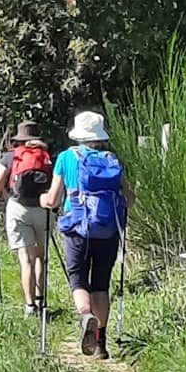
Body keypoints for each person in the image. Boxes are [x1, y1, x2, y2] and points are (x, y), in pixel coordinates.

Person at [40, 111, 135, 359]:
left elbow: (52, 199)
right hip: (108, 230)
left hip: (77, 229)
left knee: (78, 279)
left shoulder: (66, 158)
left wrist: (43, 200)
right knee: (101, 284)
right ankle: (101, 343)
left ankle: (86, 316)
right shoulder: (111, 159)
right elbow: (130, 199)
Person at [0, 121, 51, 316]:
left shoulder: (10, 156)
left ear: (18, 139)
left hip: (18, 208)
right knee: (41, 257)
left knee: (26, 259)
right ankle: (41, 301)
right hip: (42, 209)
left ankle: (30, 306)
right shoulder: (46, 157)